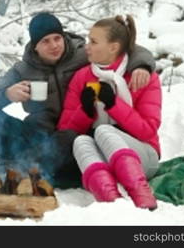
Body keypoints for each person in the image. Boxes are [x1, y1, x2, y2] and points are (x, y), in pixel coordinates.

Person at [0, 12, 156, 192]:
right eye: (45, 41)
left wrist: (141, 65)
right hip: (36, 139)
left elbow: (126, 47)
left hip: (73, 144)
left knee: (69, 138)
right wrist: (7, 95)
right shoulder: (23, 69)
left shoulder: (82, 52)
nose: (54, 45)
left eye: (57, 38)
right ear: (35, 46)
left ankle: (0, 172)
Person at [57, 15, 161, 210]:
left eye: (93, 42)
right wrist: (85, 110)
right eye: (88, 40)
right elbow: (65, 131)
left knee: (103, 130)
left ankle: (142, 197)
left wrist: (114, 105)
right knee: (80, 141)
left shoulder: (142, 76)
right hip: (104, 161)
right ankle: (112, 202)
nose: (86, 46)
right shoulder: (82, 77)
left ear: (113, 47)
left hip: (143, 157)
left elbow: (148, 131)